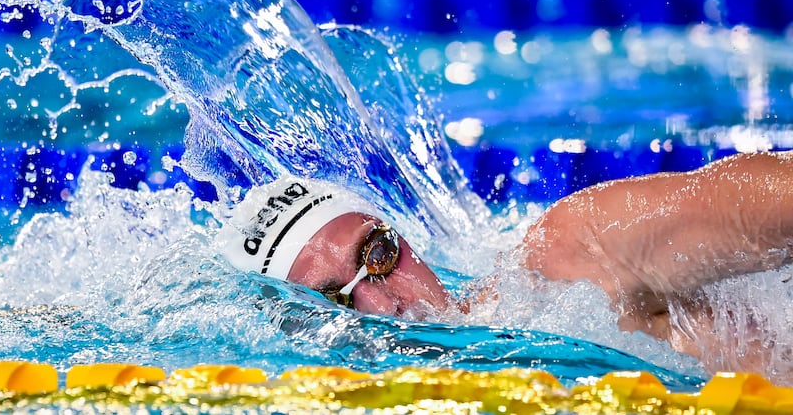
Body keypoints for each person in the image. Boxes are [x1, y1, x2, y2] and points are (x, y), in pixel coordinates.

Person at [220, 150, 793, 375]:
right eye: (332, 299)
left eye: (378, 254)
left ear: (406, 241)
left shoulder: (573, 257)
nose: (387, 303)